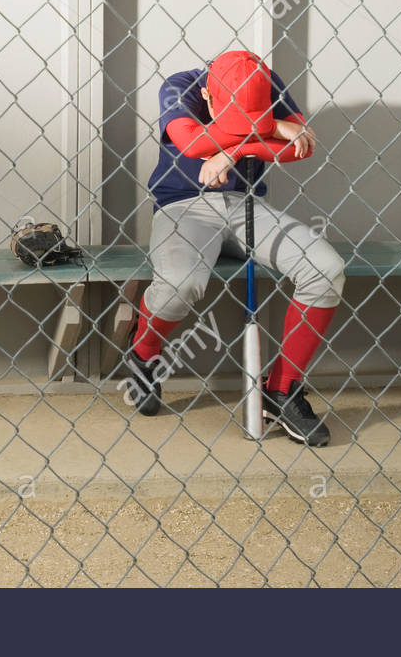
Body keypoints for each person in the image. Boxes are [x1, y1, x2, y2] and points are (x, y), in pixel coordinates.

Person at [126, 49, 345, 446]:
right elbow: (192, 144)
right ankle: (144, 352)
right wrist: (271, 130)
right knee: (179, 285)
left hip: (249, 207)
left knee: (325, 269)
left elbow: (303, 145)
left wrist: (235, 149)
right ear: (208, 97)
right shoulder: (180, 86)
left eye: (257, 118)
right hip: (184, 207)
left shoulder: (265, 81)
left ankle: (280, 390)